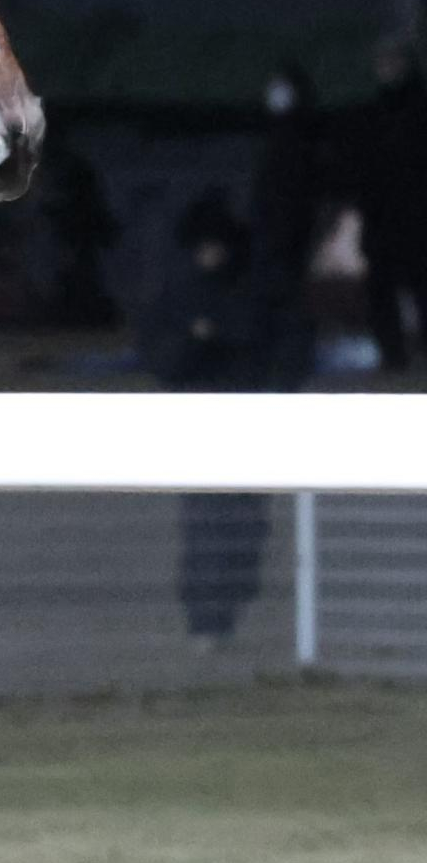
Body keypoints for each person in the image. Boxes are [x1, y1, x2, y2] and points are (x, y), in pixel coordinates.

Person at [139, 190, 269, 641]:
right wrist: (198, 340)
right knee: (206, 531)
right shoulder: (177, 295)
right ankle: (206, 621)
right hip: (198, 434)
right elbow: (161, 359)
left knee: (247, 528)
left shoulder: (249, 291)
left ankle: (228, 614)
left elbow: (274, 352)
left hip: (248, 430)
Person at [342, 40, 427, 371]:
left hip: (418, 219)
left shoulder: (418, 110)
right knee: (382, 293)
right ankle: (394, 359)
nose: (387, 68)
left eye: (393, 62)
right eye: (382, 62)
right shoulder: (372, 115)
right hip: (382, 219)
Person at [247, 62, 322, 386]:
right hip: (278, 233)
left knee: (285, 301)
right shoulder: (280, 134)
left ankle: (287, 366)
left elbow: (292, 192)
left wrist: (282, 234)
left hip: (286, 236)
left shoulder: (296, 138)